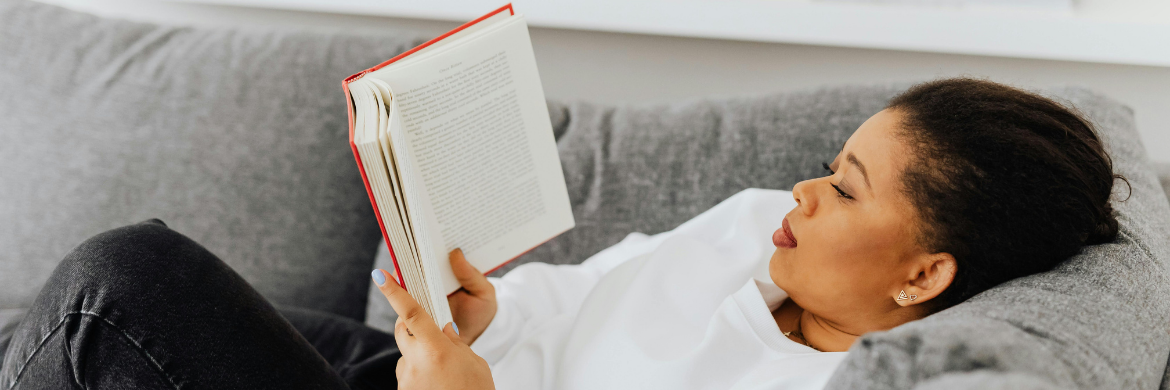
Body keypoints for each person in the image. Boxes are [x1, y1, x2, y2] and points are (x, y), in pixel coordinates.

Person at [0, 78, 1124, 390]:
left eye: (847, 188)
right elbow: (578, 305)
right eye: (830, 164)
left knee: (121, 284)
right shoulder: (751, 233)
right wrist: (487, 322)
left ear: (925, 274)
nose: (804, 191)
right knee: (62, 326)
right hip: (423, 375)